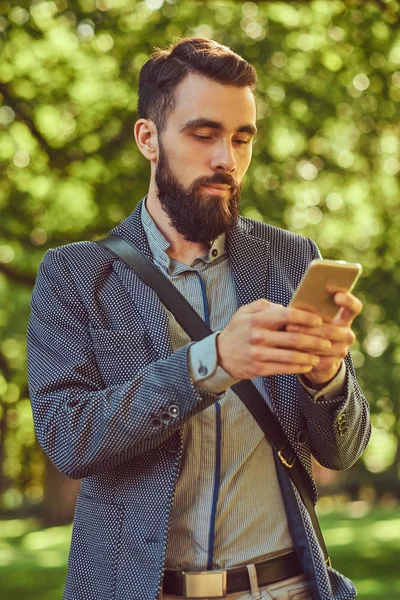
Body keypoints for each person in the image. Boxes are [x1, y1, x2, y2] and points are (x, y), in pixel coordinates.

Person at [27, 38, 371, 600]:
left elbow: (343, 450)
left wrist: (326, 377)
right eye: (203, 134)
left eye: (241, 138)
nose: (226, 160)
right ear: (149, 139)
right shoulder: (74, 275)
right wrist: (211, 362)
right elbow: (68, 438)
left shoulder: (292, 259)